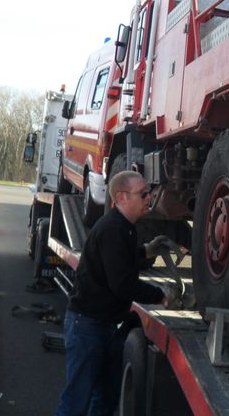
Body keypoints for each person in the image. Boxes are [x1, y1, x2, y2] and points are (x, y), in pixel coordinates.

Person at [55, 171, 169, 416]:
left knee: (105, 400)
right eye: (143, 193)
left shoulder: (124, 227)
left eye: (148, 192)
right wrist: (160, 295)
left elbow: (118, 261)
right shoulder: (113, 228)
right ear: (122, 197)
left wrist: (145, 252)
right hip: (87, 326)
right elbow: (122, 283)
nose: (149, 197)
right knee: (77, 402)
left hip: (102, 326)